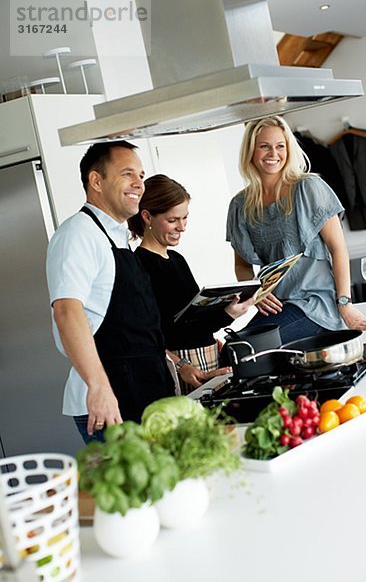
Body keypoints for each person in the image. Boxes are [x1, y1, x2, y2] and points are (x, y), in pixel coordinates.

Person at [46, 141, 177, 444]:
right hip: (111, 404)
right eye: (127, 174)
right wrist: (98, 386)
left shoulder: (116, 236)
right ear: (96, 181)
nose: (139, 184)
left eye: (141, 176)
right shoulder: (77, 234)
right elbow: (67, 312)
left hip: (141, 392)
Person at [226, 116, 366, 344]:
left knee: (240, 347)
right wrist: (255, 294)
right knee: (237, 350)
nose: (273, 154)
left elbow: (338, 249)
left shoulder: (309, 188)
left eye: (280, 146)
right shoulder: (240, 205)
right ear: (251, 151)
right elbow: (242, 265)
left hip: (317, 305)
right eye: (264, 146)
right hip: (279, 308)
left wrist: (345, 304)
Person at [128, 174, 254, 392]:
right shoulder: (138, 266)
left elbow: (193, 319)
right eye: (173, 220)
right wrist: (227, 315)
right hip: (185, 367)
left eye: (185, 218)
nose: (182, 227)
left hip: (208, 356)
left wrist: (222, 317)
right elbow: (152, 334)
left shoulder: (177, 260)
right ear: (147, 216)